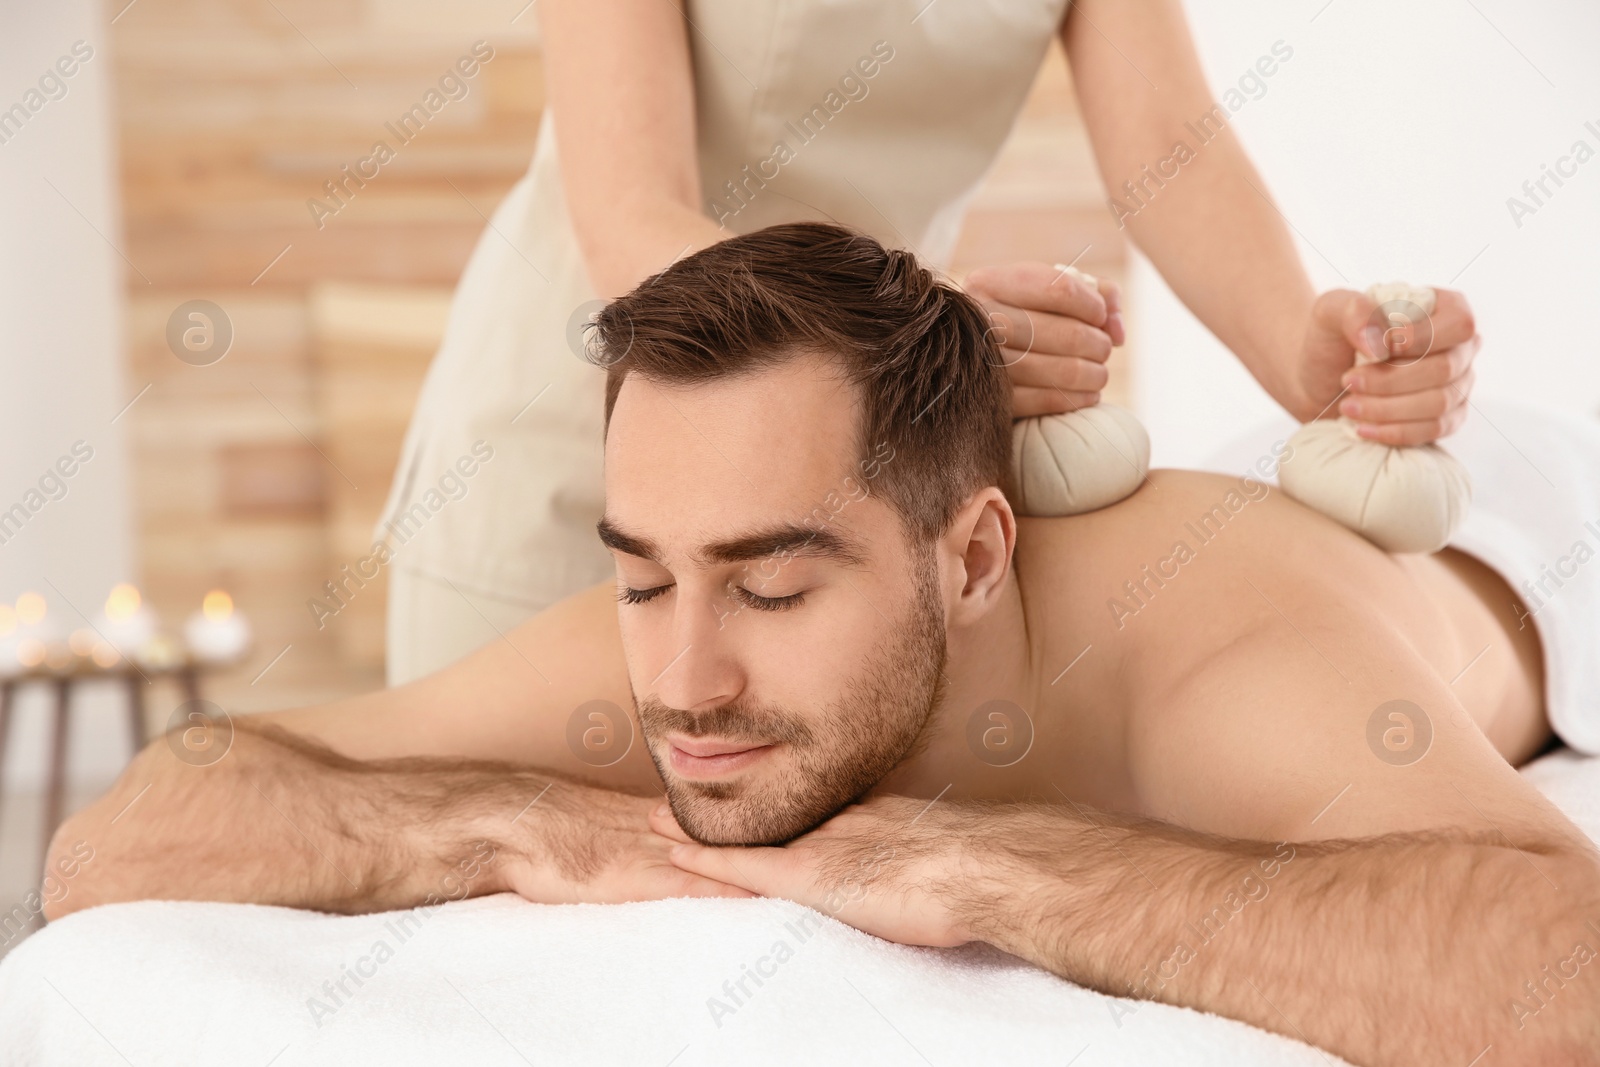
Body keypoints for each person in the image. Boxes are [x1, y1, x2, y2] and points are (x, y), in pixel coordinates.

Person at [49, 226, 1591, 1067]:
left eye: (773, 587)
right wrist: (500, 818)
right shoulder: (670, 642)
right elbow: (119, 838)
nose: (685, 682)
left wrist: (1007, 867)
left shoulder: (1224, 665)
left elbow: (1564, 972)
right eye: (643, 577)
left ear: (976, 554)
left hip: (1542, 528)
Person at [374, 0, 1481, 684]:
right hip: (578, 431)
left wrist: (1302, 349)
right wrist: (926, 333)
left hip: (839, 452)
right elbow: (630, 215)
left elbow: (1170, 150)